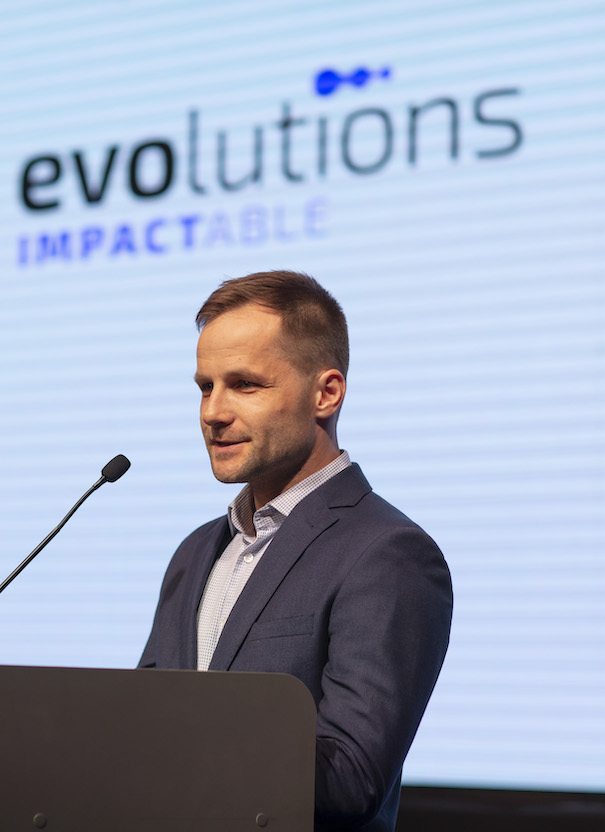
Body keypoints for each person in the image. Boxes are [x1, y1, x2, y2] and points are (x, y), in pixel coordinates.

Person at [140, 270, 453, 832]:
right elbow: (136, 723)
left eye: (245, 385)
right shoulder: (195, 553)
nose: (213, 412)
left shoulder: (389, 554)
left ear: (326, 393)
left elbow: (350, 778)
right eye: (205, 387)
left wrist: (180, 743)